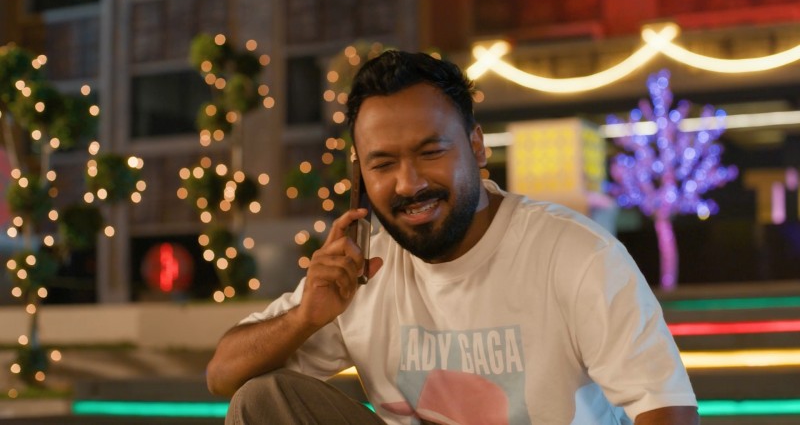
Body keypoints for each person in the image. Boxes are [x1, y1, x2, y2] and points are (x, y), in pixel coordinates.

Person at [206, 50, 699, 425]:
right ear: (360, 178)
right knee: (262, 400)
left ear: (476, 147)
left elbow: (667, 410)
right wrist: (306, 317)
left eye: (430, 152)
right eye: (383, 163)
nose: (408, 183)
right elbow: (222, 376)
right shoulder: (361, 270)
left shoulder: (575, 253)